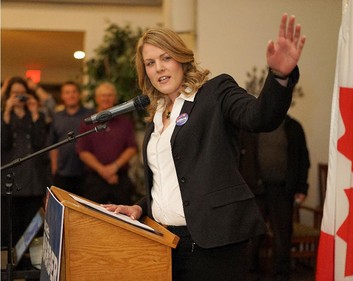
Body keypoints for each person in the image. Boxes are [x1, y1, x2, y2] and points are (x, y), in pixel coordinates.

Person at [103, 13, 306, 281]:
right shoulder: (155, 118)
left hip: (215, 243)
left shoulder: (215, 93)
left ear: (182, 59)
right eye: (150, 63)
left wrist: (280, 76)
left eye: (166, 58)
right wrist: (141, 207)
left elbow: (260, 117)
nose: (159, 68)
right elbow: (171, 180)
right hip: (165, 241)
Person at [239, 114, 310, 281]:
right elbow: (239, 157)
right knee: (252, 235)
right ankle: (250, 272)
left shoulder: (294, 127)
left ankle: (281, 274)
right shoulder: (251, 125)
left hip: (283, 191)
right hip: (255, 190)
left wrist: (302, 188)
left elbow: (303, 159)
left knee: (282, 235)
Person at [1, 76, 49, 248]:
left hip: (32, 180)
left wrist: (35, 113)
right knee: (8, 228)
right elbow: (3, 143)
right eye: (15, 94)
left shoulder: (36, 116)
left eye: (22, 94)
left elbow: (40, 143)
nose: (19, 98)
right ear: (8, 96)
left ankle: (30, 266)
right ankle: (9, 269)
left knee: (32, 228)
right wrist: (6, 113)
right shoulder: (3, 115)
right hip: (8, 180)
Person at [76, 81, 137, 205]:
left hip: (120, 177)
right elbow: (83, 152)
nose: (106, 98)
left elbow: (131, 148)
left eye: (109, 95)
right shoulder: (87, 122)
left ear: (114, 98)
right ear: (97, 98)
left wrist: (113, 167)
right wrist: (103, 171)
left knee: (124, 219)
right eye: (103, 95)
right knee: (92, 217)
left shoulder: (125, 122)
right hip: (94, 179)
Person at [47, 81, 95, 195]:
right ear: (62, 96)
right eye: (67, 92)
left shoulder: (90, 115)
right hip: (62, 173)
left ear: (79, 95)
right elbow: (53, 144)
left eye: (74, 92)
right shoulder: (57, 117)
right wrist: (54, 169)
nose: (71, 95)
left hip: (87, 173)